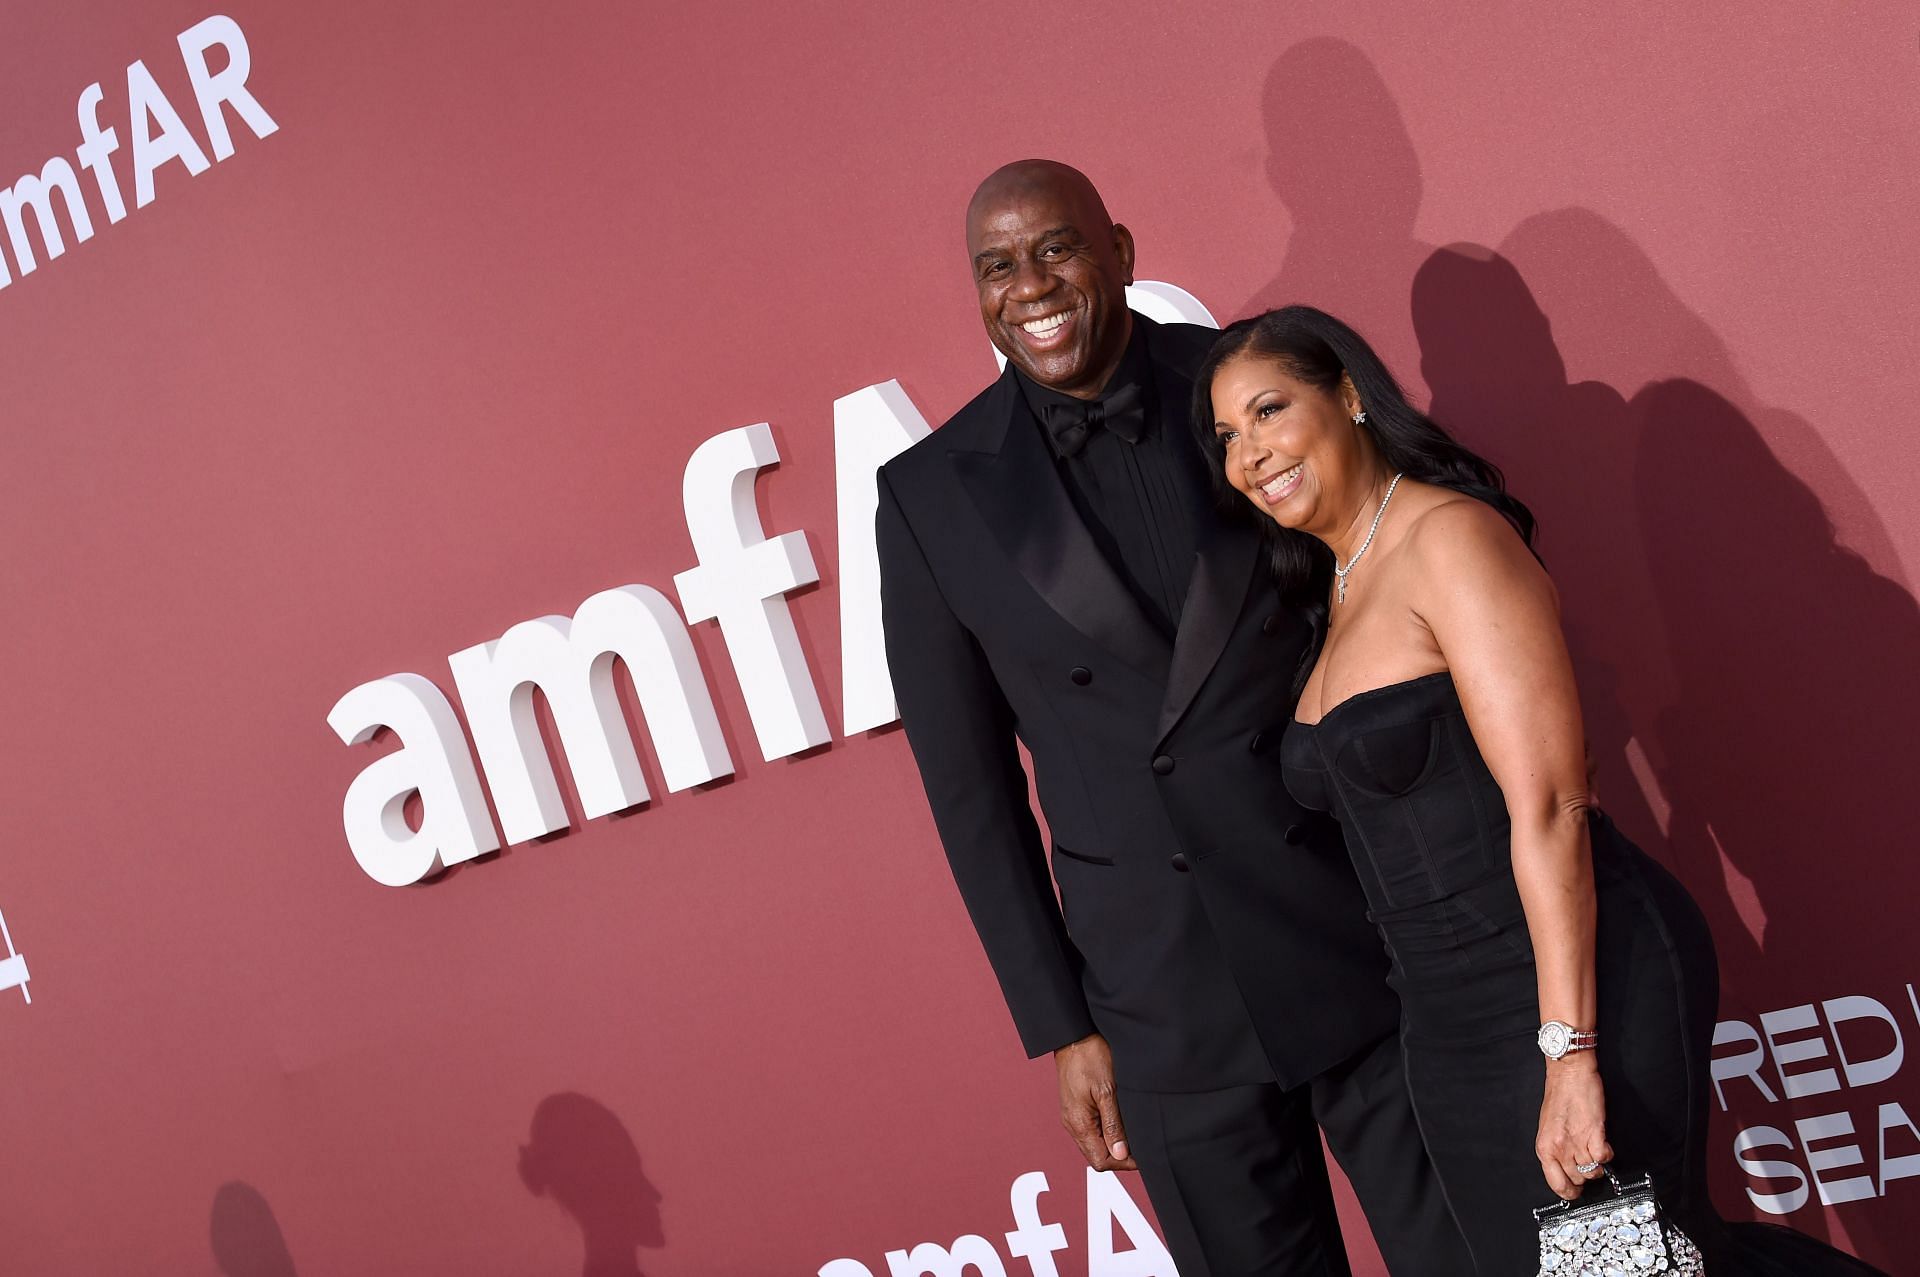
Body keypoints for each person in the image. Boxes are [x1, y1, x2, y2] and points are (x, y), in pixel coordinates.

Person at [1198, 304, 1886, 1275]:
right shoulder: (1333, 590)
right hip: (1447, 1032)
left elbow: (1554, 805)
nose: (1250, 452)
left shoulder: (1452, 540)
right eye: (1227, 436)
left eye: (1269, 410)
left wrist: (1570, 1051)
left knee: (1630, 1270)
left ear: (1349, 395)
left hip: (1571, 986)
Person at [877, 161, 1471, 1274]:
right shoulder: (929, 493)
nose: (1030, 285)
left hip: (1362, 924)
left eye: (1055, 248)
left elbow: (1416, 593)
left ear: (1123, 251)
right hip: (1160, 994)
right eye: (995, 267)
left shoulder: (1247, 385)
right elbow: (971, 792)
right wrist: (1062, 1022)